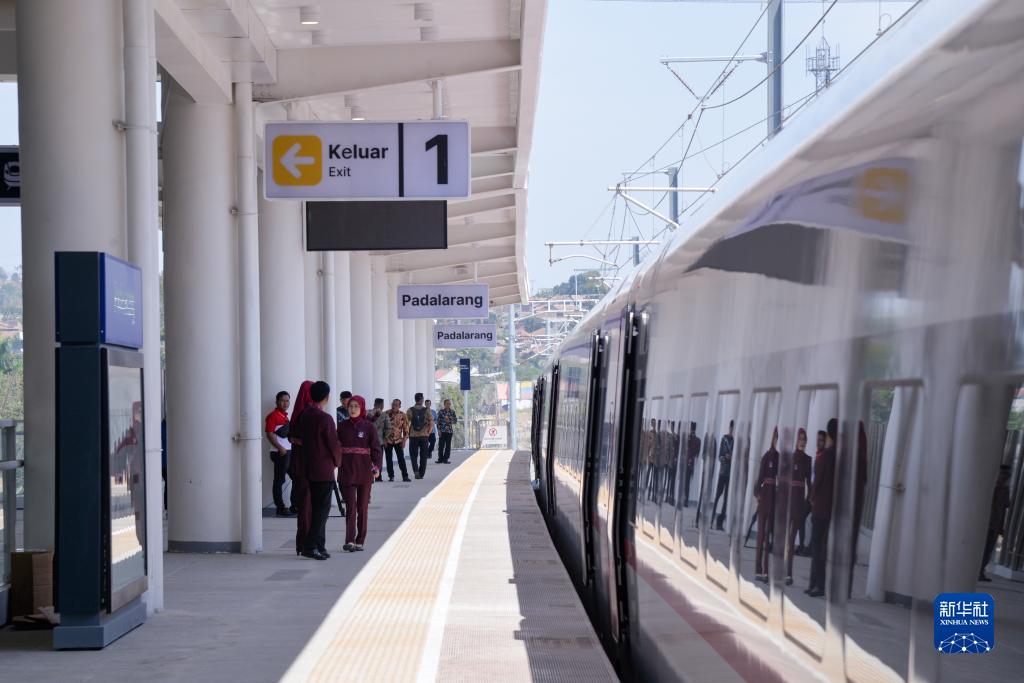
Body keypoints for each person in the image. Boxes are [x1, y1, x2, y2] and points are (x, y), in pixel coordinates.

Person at [297, 381, 342, 560]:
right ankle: (310, 546)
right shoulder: (325, 418)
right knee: (322, 511)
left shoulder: (304, 415)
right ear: (327, 397)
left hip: (308, 466)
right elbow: (333, 444)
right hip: (323, 469)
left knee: (316, 509)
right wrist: (338, 461)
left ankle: (319, 545)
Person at [336, 395, 384, 552]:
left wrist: (377, 467)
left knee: (362, 507)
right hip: (346, 471)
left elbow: (376, 449)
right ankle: (349, 540)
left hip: (364, 472)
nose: (353, 409)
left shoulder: (368, 427)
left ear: (362, 407)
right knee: (350, 507)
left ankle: (360, 540)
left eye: (356, 406)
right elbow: (335, 446)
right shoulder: (342, 426)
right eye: (351, 406)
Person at [806, 418, 837, 597]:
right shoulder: (836, 455)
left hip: (820, 507)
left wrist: (811, 498)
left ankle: (817, 585)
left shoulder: (825, 456)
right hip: (828, 507)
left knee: (817, 548)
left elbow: (817, 481)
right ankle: (815, 584)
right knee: (820, 547)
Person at [288, 380, 315, 556]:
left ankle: (301, 543)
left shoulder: (296, 415)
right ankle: (307, 543)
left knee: (304, 505)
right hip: (310, 466)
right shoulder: (311, 415)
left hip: (298, 465)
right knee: (309, 507)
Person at [785, 428, 813, 585]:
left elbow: (810, 483)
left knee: (791, 539)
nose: (802, 442)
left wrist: (809, 499)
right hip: (788, 500)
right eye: (800, 439)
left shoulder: (808, 460)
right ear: (796, 440)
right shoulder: (790, 457)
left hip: (798, 503)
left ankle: (788, 574)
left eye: (804, 439)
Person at [265, 390, 297, 517]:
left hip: (288, 452)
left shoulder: (285, 416)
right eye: (282, 401)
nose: (285, 403)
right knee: (279, 480)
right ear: (277, 402)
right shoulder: (272, 416)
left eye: (287, 401)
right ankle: (280, 507)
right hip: (280, 453)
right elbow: (269, 434)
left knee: (296, 478)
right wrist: (280, 448)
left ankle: (294, 505)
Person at [754, 427, 780, 583]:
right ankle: (758, 569)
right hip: (764, 499)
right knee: (760, 536)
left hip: (773, 501)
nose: (776, 440)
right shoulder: (766, 456)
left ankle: (765, 571)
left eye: (777, 437)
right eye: (774, 437)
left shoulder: (779, 458)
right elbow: (759, 479)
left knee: (768, 537)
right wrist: (758, 494)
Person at [979, 465, 1012, 582]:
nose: (1004, 478)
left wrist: (1001, 527)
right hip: (983, 524)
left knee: (988, 551)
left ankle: (980, 572)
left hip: (994, 525)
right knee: (980, 550)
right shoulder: (988, 487)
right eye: (1002, 474)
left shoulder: (1005, 490)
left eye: (1007, 476)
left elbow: (1003, 510)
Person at [712, 420, 735, 530]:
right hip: (722, 472)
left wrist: (732, 458)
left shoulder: (735, 441)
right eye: (730, 428)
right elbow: (719, 456)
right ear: (729, 428)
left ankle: (719, 523)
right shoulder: (724, 439)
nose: (731, 430)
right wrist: (725, 458)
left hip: (730, 474)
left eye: (733, 428)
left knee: (726, 499)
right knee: (717, 496)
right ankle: (711, 519)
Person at [383, 399, 411, 482]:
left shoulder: (403, 415)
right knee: (388, 459)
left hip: (398, 440)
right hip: (388, 440)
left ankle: (405, 476)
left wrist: (404, 441)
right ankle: (391, 476)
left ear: (399, 406)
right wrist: (384, 440)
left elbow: (406, 429)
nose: (394, 406)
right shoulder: (385, 414)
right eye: (393, 404)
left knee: (401, 458)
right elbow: (382, 428)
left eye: (396, 405)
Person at [407, 393, 433, 479]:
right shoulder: (426, 410)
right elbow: (431, 422)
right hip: (424, 436)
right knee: (423, 455)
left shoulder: (410, 410)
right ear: (422, 399)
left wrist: (407, 433)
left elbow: (406, 424)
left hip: (413, 436)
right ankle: (421, 473)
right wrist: (428, 432)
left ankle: (416, 471)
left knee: (413, 455)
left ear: (415, 399)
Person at [683, 422, 700, 507]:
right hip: (691, 463)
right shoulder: (698, 440)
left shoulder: (688, 438)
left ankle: (684, 500)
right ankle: (686, 500)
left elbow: (685, 450)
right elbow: (697, 454)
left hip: (686, 462)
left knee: (685, 482)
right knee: (687, 482)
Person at [436, 399, 458, 463]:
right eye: (447, 403)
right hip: (442, 431)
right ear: (444, 404)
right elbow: (438, 422)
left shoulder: (452, 412)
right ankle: (440, 459)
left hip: (449, 431)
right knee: (441, 446)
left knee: (448, 446)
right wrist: (439, 430)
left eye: (449, 403)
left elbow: (455, 421)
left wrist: (450, 421)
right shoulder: (441, 412)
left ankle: (445, 459)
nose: (448, 405)